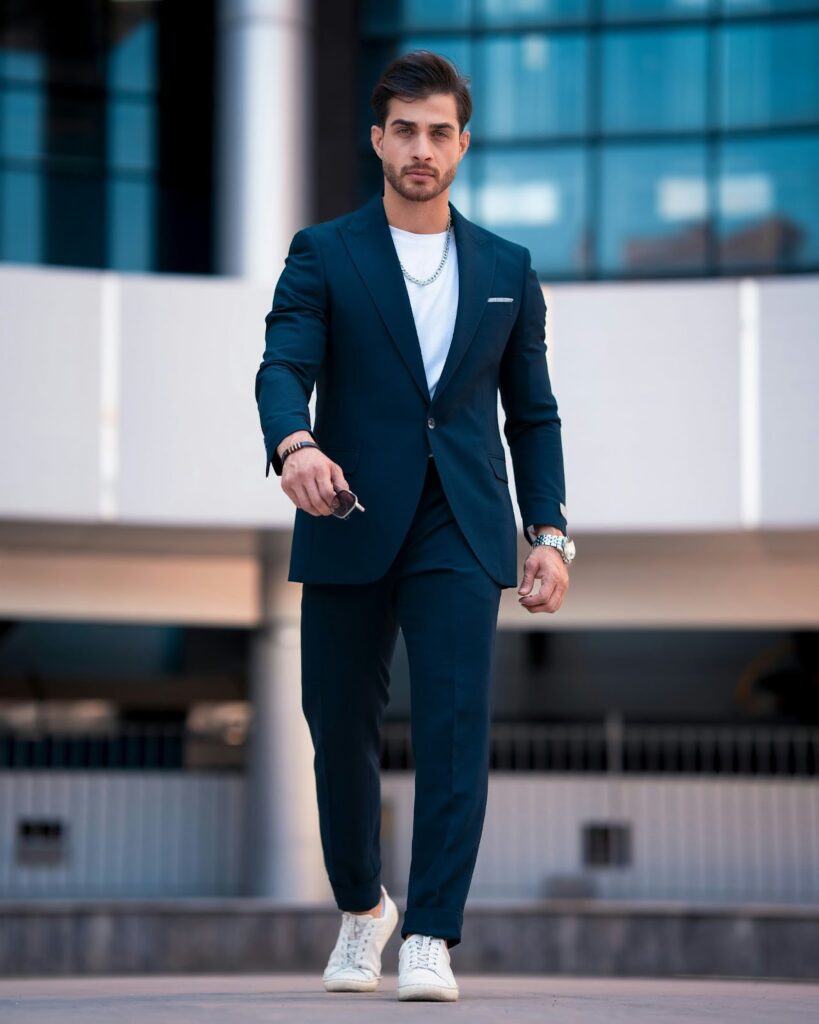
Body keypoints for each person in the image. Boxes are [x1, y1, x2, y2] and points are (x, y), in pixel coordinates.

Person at [255, 49, 575, 1003]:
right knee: (335, 726)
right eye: (404, 130)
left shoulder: (508, 270)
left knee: (449, 729)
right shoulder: (324, 251)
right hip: (347, 509)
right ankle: (363, 908)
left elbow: (534, 416)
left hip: (461, 526)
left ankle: (431, 931)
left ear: (463, 143)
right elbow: (282, 363)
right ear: (376, 139)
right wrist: (294, 445)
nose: (421, 148)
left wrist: (548, 535)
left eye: (439, 131)